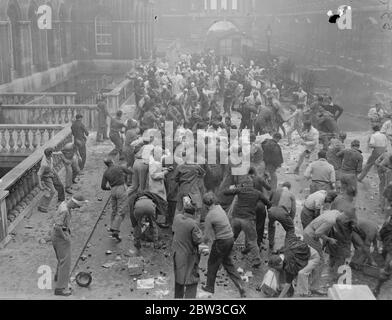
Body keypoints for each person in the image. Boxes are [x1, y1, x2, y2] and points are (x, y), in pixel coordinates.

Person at [201, 193, 246, 298]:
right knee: (228, 264)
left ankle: (209, 287)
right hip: (230, 238)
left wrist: (199, 242)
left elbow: (206, 236)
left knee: (212, 263)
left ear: (205, 204)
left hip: (221, 241)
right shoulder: (219, 208)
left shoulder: (209, 216)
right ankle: (241, 285)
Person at [224, 177, 272, 268]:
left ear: (244, 184)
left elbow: (225, 192)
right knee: (252, 240)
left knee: (232, 237)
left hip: (236, 219)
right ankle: (257, 259)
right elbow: (268, 203)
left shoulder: (240, 190)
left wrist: (232, 188)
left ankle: (225, 253)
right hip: (248, 220)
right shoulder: (257, 193)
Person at [51, 195, 89, 296]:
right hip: (60, 236)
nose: (77, 208)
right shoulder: (65, 211)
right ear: (74, 203)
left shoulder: (64, 204)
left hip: (56, 235)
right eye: (77, 206)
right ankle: (60, 288)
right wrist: (65, 237)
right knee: (65, 262)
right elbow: (58, 227)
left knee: (61, 259)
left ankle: (58, 277)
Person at [302, 210, 342, 295]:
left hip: (308, 232)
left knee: (311, 258)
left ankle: (307, 282)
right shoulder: (332, 220)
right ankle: (313, 287)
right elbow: (317, 233)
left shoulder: (334, 212)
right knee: (320, 261)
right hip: (311, 236)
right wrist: (329, 239)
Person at [172, 196, 203, 299]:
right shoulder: (193, 224)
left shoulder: (177, 218)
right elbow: (198, 240)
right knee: (192, 280)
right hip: (188, 257)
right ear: (193, 214)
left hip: (177, 254)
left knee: (179, 279)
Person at [101, 159, 132, 242]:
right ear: (112, 162)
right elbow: (129, 172)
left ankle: (112, 226)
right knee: (121, 210)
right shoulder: (119, 167)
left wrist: (109, 188)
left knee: (114, 210)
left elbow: (103, 186)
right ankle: (115, 230)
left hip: (113, 190)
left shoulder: (106, 172)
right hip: (121, 188)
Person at [268, 182, 297, 251]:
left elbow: (268, 202)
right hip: (282, 212)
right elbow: (293, 210)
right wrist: (290, 219)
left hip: (271, 211)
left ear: (282, 186)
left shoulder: (274, 190)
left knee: (271, 225)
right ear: (289, 188)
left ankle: (271, 243)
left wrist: (269, 211)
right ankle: (286, 247)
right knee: (290, 229)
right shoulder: (291, 194)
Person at [37, 148, 65, 213]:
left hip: (52, 172)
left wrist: (60, 152)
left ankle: (61, 200)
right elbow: (39, 174)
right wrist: (40, 185)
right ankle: (42, 206)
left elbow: (55, 153)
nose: (53, 154)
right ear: (50, 155)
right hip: (46, 176)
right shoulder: (44, 164)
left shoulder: (48, 155)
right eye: (52, 153)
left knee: (60, 185)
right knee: (52, 191)